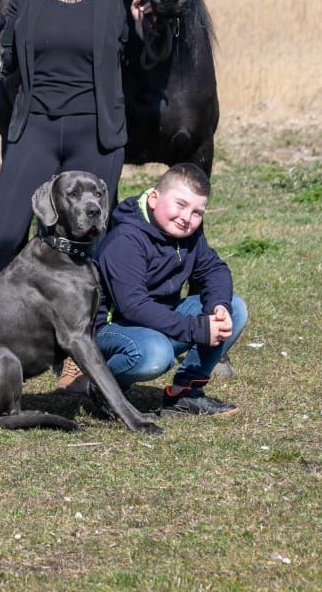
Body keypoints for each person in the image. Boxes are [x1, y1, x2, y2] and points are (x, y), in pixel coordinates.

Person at [0, 0, 148, 287]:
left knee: (85, 243)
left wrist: (144, 29)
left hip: (95, 132)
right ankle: (2, 323)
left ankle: (81, 333)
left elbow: (143, 63)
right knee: (0, 239)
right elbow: (4, 55)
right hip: (34, 127)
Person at [92, 162, 248, 417]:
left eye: (197, 212)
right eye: (181, 204)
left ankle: (185, 393)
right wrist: (197, 329)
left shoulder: (189, 235)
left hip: (158, 319)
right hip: (113, 329)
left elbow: (214, 270)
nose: (187, 218)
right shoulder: (125, 240)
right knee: (156, 354)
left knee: (236, 308)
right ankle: (106, 389)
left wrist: (218, 306)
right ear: (154, 198)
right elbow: (133, 306)